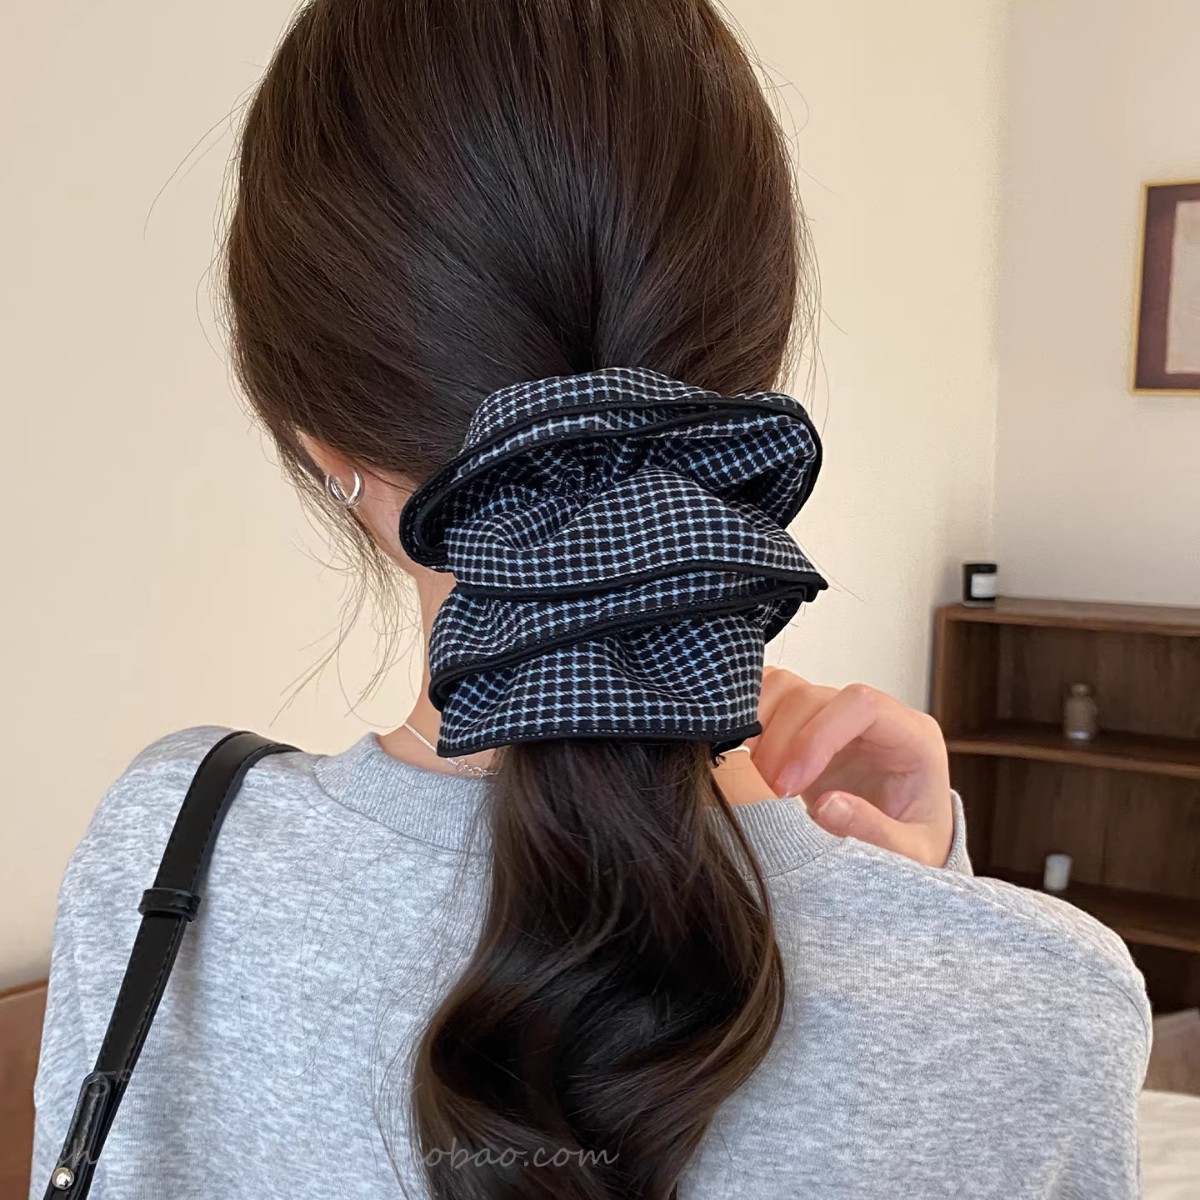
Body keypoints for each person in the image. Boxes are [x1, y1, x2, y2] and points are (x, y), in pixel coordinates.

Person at [31, 1, 1149, 1197]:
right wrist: (926, 915)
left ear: (326, 448)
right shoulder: (1048, 1011)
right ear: (740, 388)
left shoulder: (166, 859)